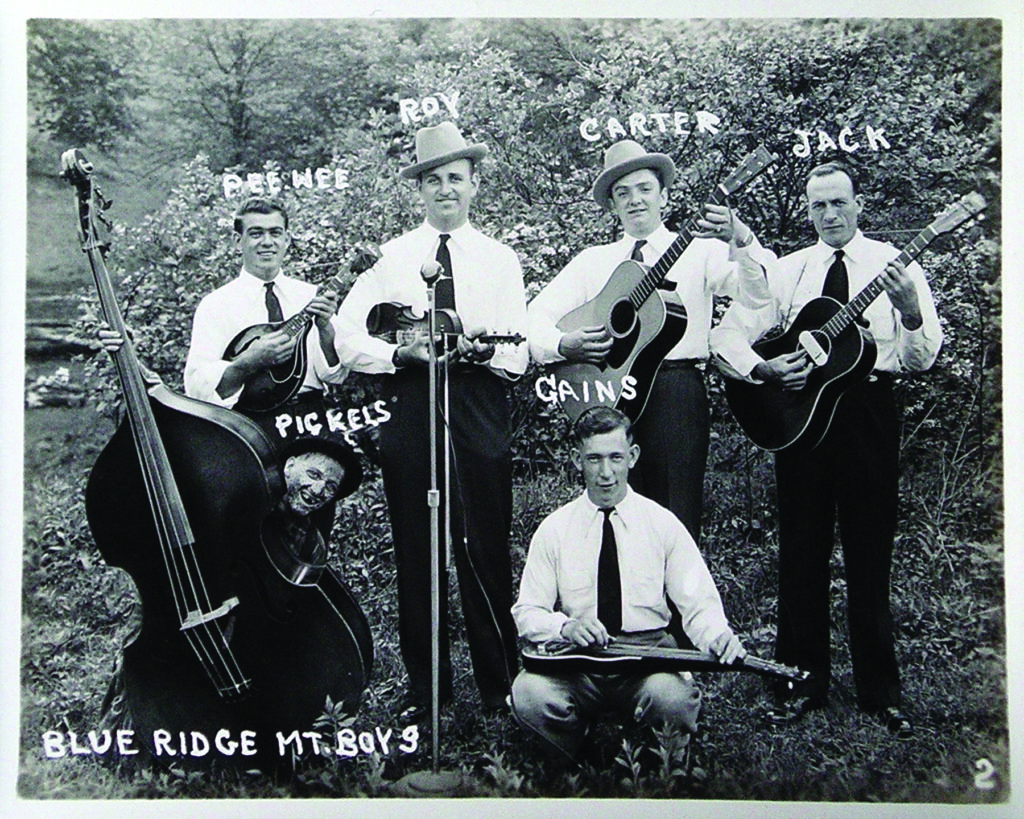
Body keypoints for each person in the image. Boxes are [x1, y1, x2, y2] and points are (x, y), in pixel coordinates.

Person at [710, 160, 943, 739]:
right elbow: (727, 333)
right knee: (801, 553)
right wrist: (763, 369)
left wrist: (910, 310)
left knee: (870, 555)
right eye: (818, 205)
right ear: (809, 209)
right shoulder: (789, 271)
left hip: (867, 417)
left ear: (858, 204)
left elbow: (922, 359)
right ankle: (798, 683)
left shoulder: (895, 265)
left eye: (839, 202)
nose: (829, 215)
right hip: (801, 422)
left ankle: (880, 693)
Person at [335, 121, 529, 717]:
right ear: (418, 189)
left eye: (455, 178)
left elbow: (519, 353)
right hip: (410, 402)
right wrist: (397, 354)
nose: (445, 189)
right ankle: (429, 693)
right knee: (418, 548)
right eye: (433, 180)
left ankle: (502, 688)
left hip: (476, 402)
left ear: (474, 185)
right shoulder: (391, 257)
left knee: (485, 542)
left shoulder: (501, 258)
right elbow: (345, 338)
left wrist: (484, 349)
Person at [527, 139, 771, 543]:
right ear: (613, 206)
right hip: (606, 393)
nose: (635, 200)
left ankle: (677, 607)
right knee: (611, 517)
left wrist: (741, 238)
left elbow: (761, 295)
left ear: (665, 195)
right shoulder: (593, 261)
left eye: (644, 189)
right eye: (622, 193)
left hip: (675, 393)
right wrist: (565, 344)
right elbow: (536, 316)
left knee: (675, 518)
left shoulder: (703, 251)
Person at [510, 406, 746, 762]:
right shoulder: (555, 529)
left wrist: (718, 636)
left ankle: (658, 760)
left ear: (632, 457)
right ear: (578, 460)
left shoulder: (661, 524)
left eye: (616, 458)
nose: (606, 473)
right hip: (579, 662)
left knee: (674, 701)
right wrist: (566, 627)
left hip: (647, 659)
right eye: (594, 459)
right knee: (528, 694)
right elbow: (527, 612)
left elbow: (698, 603)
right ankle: (574, 752)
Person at [183, 196, 348, 448]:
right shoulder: (215, 305)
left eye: (275, 233)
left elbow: (335, 376)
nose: (267, 242)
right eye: (256, 233)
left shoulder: (310, 295)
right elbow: (196, 389)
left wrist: (326, 329)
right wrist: (248, 363)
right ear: (238, 241)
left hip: (310, 420)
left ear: (287, 239)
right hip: (248, 427)